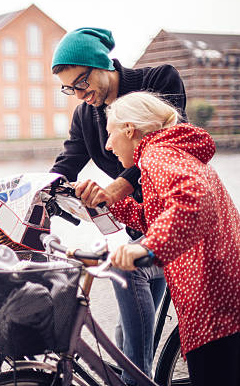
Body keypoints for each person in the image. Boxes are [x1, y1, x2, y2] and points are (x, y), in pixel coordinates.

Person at [49, 27, 187, 384]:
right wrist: (31, 198)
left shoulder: (159, 80)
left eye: (82, 82)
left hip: (175, 219)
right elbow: (66, 162)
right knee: (130, 333)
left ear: (101, 64)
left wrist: (113, 190)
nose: (79, 94)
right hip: (139, 224)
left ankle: (135, 381)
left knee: (130, 299)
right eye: (70, 89)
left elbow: (167, 145)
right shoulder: (85, 114)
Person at [76, 91, 240, 386]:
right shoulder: (172, 152)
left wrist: (149, 248)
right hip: (224, 290)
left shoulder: (158, 155)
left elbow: (193, 201)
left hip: (212, 299)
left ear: (129, 129)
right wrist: (108, 202)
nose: (108, 145)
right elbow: (157, 216)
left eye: (111, 134)